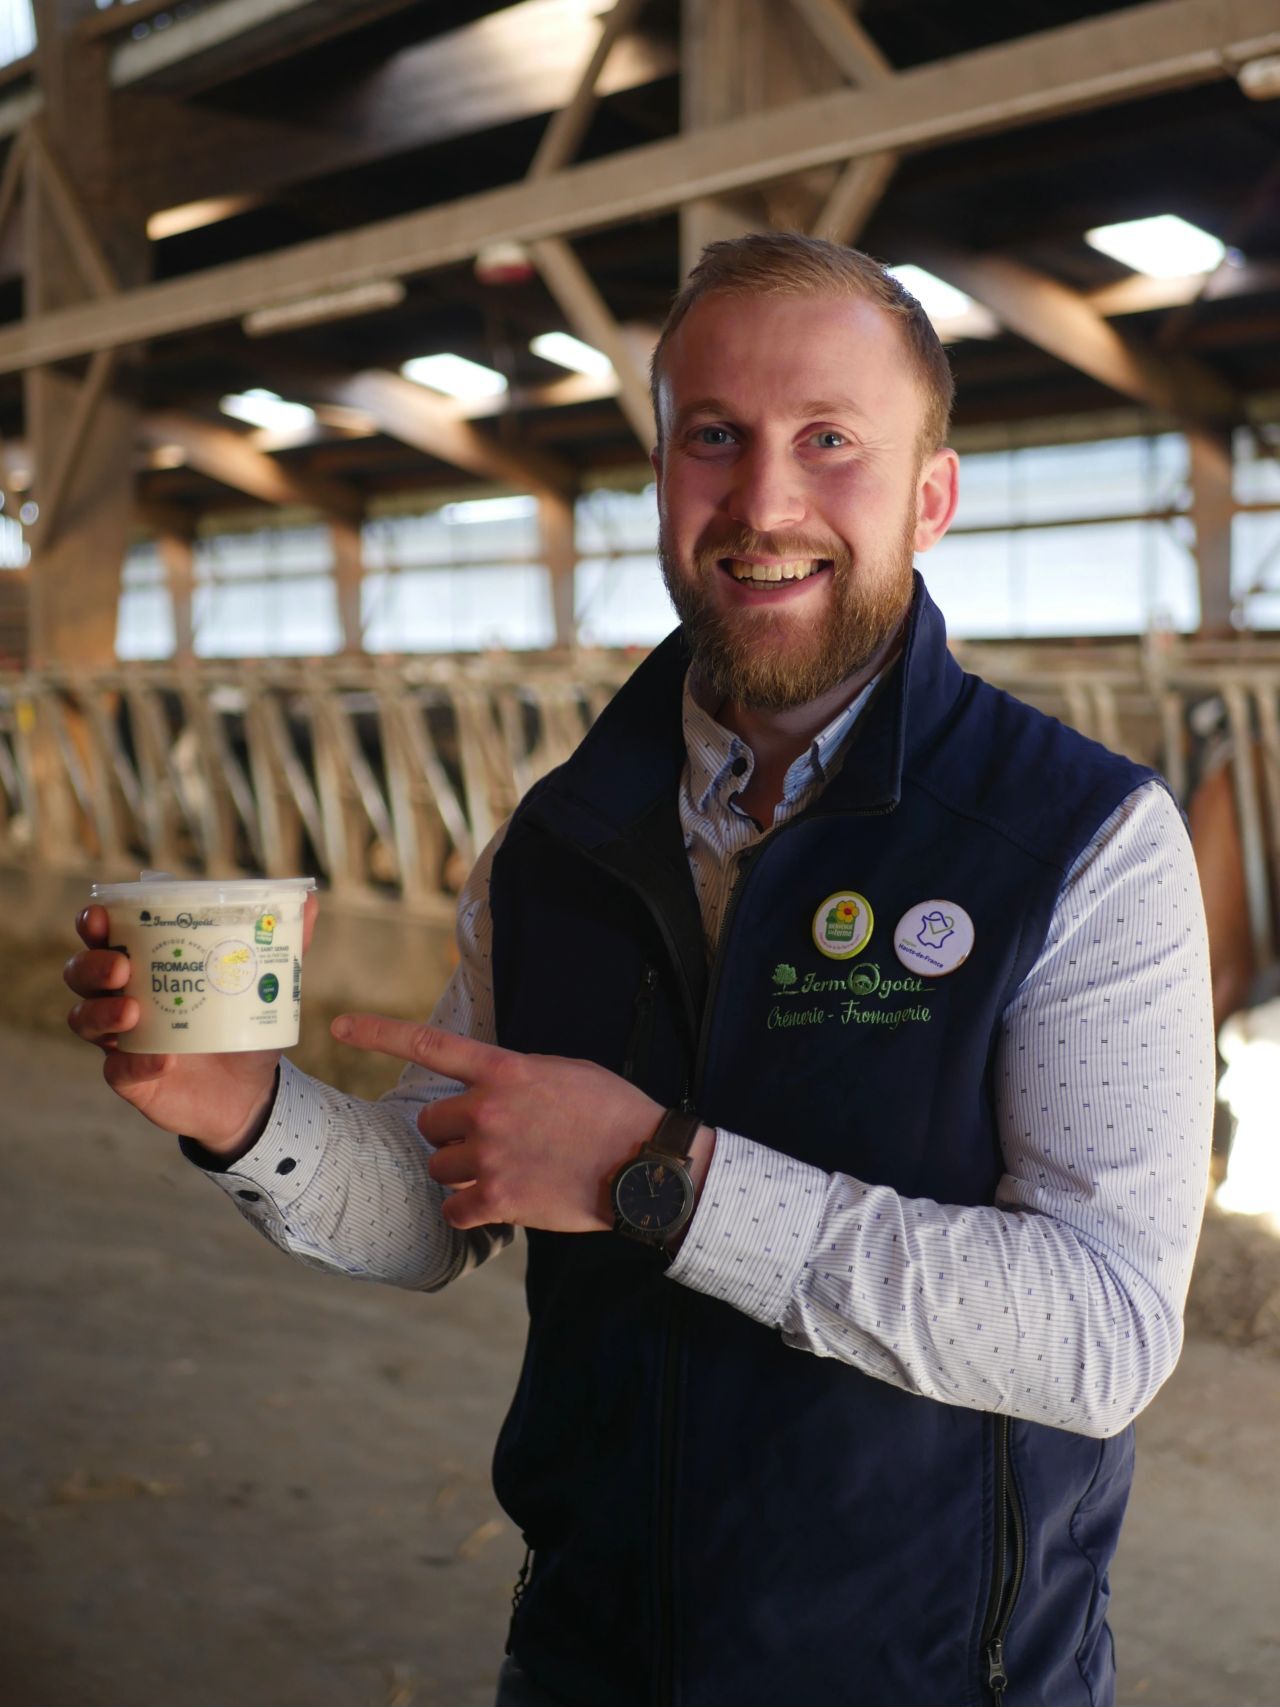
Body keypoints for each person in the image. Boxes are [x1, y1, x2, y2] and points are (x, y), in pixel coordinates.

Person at [65, 234, 1215, 1707]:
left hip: (932, 1678)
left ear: (932, 496)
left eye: (830, 443)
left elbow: (1106, 1332)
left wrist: (656, 1174)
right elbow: (436, 1205)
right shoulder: (559, 842)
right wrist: (241, 1113)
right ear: (661, 470)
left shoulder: (1081, 841)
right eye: (713, 439)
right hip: (594, 1661)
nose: (764, 504)